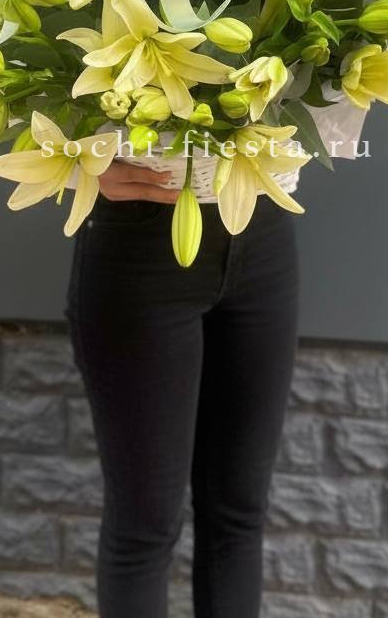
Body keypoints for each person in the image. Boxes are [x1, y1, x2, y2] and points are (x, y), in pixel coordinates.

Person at [65, 159, 300, 618]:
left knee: (239, 512)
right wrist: (79, 166)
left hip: (263, 227)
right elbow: (3, 109)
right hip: (139, 237)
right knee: (145, 526)